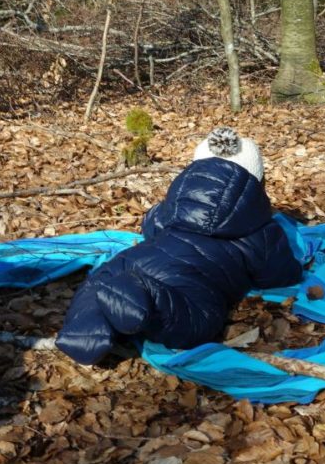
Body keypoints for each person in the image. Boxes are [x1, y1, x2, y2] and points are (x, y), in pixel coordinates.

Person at [56, 127, 304, 364]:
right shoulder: (259, 228)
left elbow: (150, 226)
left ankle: (85, 332)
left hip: (138, 256)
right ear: (258, 182)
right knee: (196, 321)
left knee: (100, 280)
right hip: (194, 282)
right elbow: (278, 274)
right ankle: (144, 297)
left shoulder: (172, 206)